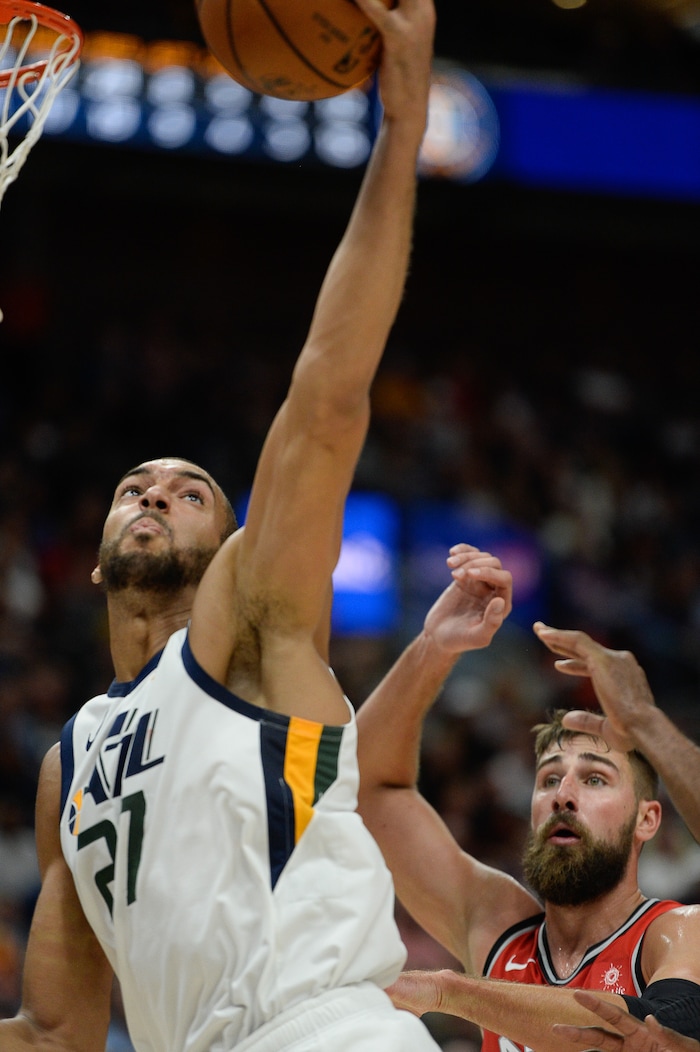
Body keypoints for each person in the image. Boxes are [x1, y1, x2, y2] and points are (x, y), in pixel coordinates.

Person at [0, 2, 441, 1050]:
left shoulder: (252, 626)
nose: (154, 494)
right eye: (134, 487)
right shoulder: (70, 764)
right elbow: (56, 1032)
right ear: (94, 565)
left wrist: (400, 134)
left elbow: (327, 397)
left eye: (189, 490)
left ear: (234, 547)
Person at [355, 544, 700, 1052]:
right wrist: (433, 647)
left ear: (647, 819)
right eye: (548, 779)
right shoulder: (496, 922)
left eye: (595, 779)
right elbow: (370, 789)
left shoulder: (674, 932)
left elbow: (665, 1028)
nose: (563, 795)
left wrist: (448, 991)